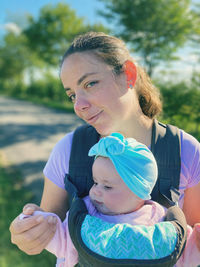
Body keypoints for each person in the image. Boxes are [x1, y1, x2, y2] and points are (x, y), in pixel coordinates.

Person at [10, 31, 200, 256]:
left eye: (90, 83)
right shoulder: (68, 151)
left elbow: (193, 244)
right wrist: (30, 234)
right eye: (72, 95)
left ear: (128, 74)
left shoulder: (185, 150)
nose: (78, 105)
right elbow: (50, 231)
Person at [19, 133, 200, 267]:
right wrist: (34, 221)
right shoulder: (86, 215)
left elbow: (187, 251)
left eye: (107, 186)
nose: (95, 191)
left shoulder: (158, 217)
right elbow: (59, 237)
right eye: (95, 182)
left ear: (140, 192)